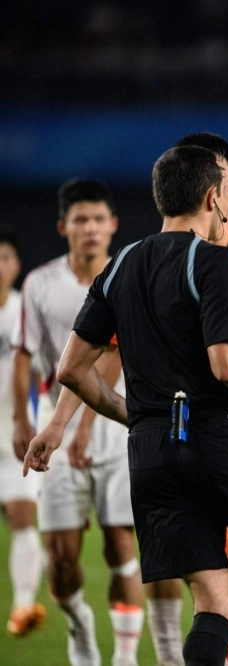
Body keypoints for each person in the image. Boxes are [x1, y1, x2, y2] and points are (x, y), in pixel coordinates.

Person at [24, 144, 228, 666]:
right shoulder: (215, 261)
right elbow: (227, 365)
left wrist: (138, 417)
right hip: (223, 436)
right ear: (214, 197)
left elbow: (72, 369)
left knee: (214, 603)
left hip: (152, 454)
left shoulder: (121, 263)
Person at [10, 179, 145, 666]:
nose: (90, 228)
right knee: (62, 557)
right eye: (80, 220)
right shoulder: (40, 283)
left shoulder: (124, 277)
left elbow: (113, 351)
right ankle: (78, 624)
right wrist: (22, 417)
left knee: (119, 541)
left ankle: (125, 657)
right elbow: (23, 352)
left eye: (98, 219)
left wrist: (85, 423)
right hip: (52, 418)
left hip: (112, 419)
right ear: (64, 227)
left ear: (112, 225)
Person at [0, 225, 46, 638]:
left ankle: (23, 605)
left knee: (21, 517)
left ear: (16, 265)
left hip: (12, 436)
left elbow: (43, 369)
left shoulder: (22, 311)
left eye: (5, 258)